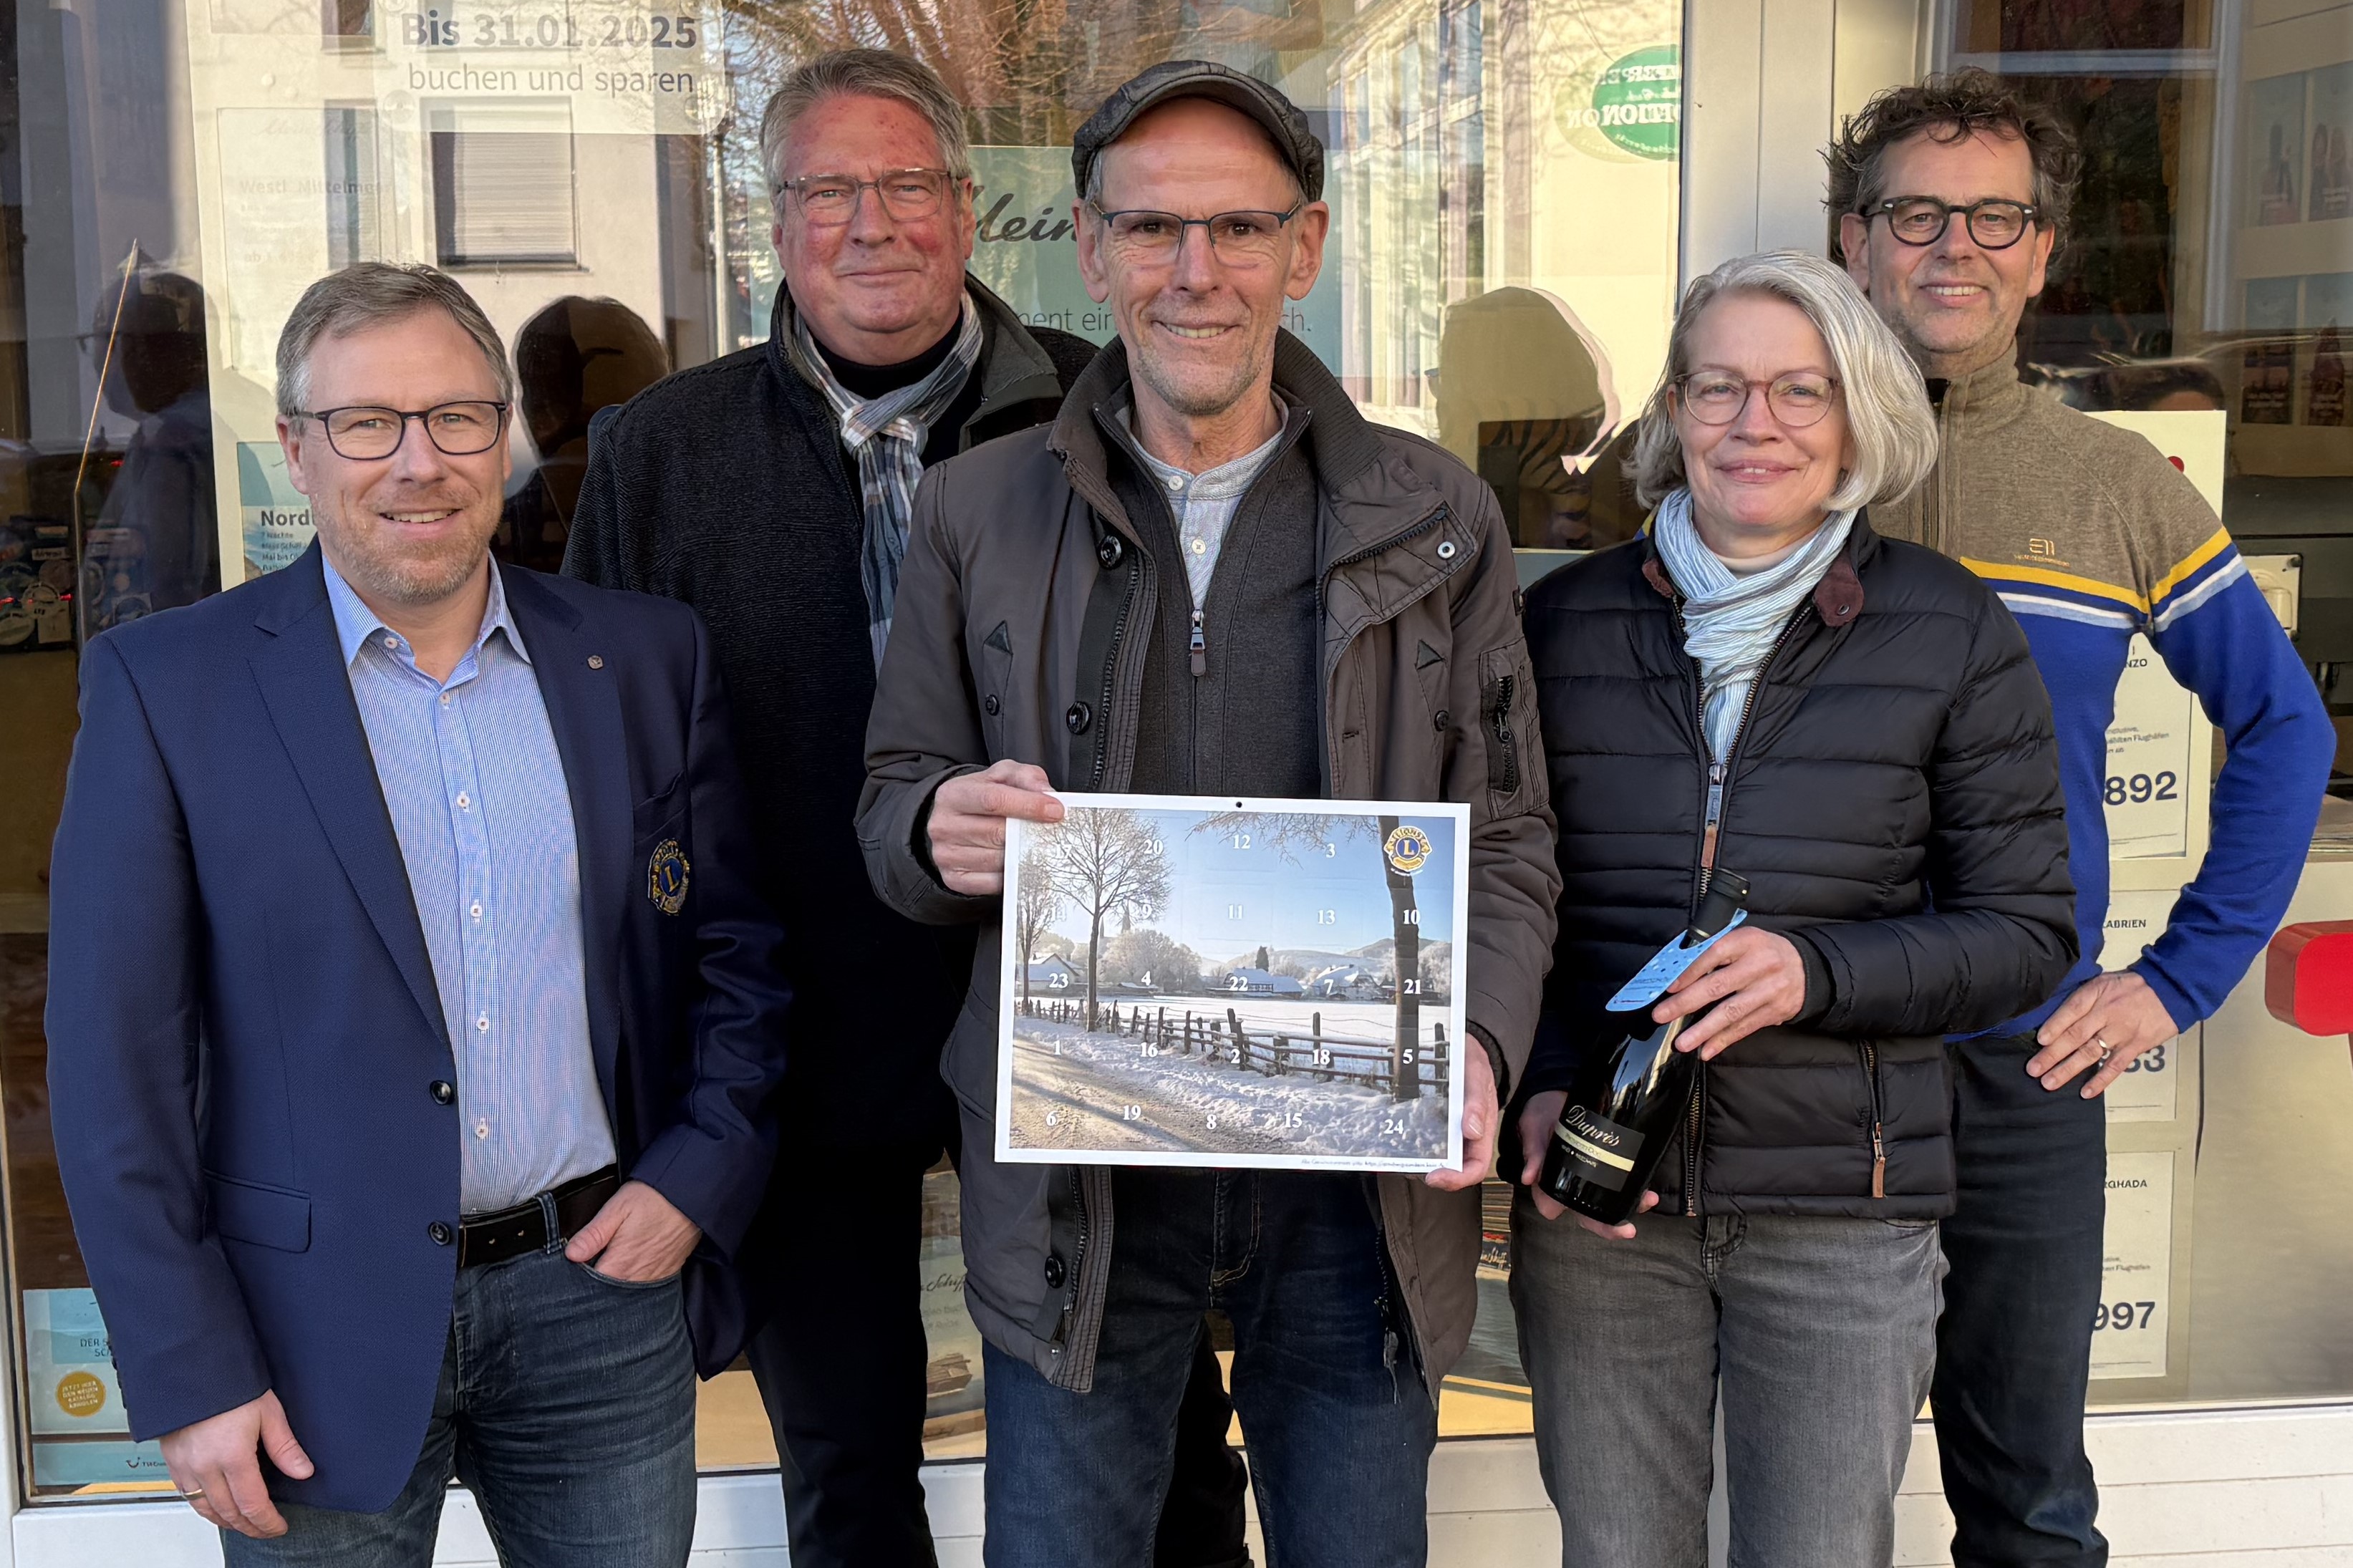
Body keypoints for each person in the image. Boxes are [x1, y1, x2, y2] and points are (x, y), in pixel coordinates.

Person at [858, 60, 1558, 1568]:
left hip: (1352, 1186)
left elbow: (1501, 836)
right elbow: (889, 801)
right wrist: (933, 834)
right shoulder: (975, 511)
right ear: (1089, 249)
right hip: (1079, 1185)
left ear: (1302, 251)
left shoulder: (1436, 515)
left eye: (1238, 231)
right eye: (1154, 231)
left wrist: (1481, 1044)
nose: (1196, 273)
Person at [563, 49, 1248, 1568]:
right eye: (825, 190)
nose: (869, 224)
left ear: (965, 209)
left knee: (1158, 1451)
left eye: (904, 185)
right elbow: (617, 768)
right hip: (797, 1019)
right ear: (775, 224)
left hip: (1075, 1008)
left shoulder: (1111, 408)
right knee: (849, 1464)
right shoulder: (659, 453)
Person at [45, 261, 791, 1564]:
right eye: (364, 423)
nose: (416, 462)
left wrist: (697, 1174)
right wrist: (187, 1363)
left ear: (502, 437)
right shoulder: (169, 689)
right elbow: (116, 1070)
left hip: (597, 1298)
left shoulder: (641, 657)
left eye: (455, 417)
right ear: (294, 448)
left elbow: (735, 948)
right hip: (303, 1327)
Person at [1829, 72, 2337, 1567]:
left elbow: (2281, 726)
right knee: (1789, 1481)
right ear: (1853, 240)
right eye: (1913, 212)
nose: (1951, 249)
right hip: (1798, 1056)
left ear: (2043, 254)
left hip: (2019, 1059)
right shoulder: (1766, 451)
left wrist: (2171, 981)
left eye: (1994, 217)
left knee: (2030, 1500)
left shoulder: (2113, 483)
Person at [1509, 249, 2078, 1567]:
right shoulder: (1557, 623)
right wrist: (1537, 1082)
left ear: (1856, 414)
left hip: (1843, 1211)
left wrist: (1814, 972)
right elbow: (1510, 902)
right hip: (1606, 1202)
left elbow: (2025, 930)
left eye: (1797, 391)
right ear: (1671, 412)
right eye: (1717, 388)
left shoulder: (1946, 626)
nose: (1752, 425)